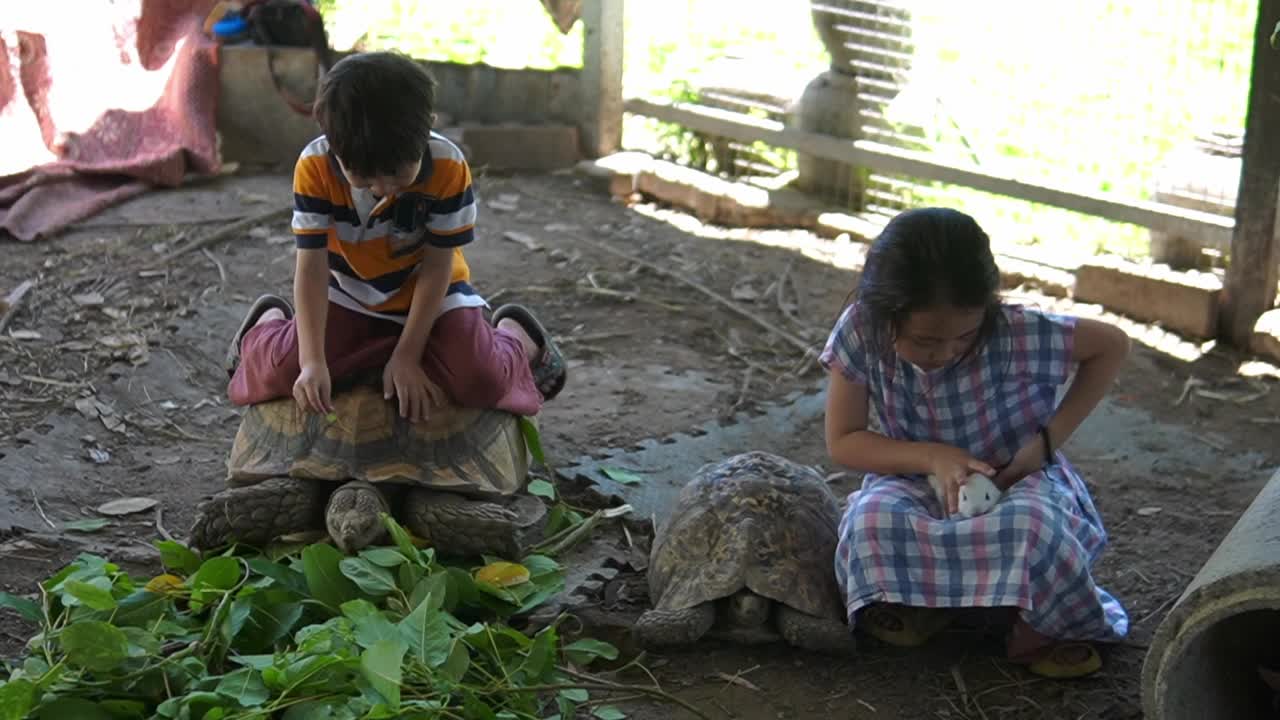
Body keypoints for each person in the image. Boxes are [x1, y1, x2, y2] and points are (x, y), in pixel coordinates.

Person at [820, 207, 1130, 678]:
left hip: (1013, 477)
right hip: (911, 478)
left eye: (963, 336)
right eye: (924, 341)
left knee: (1033, 527)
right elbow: (843, 440)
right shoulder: (862, 330)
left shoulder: (1016, 333)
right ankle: (925, 604)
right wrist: (931, 457)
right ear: (884, 312)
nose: (944, 353)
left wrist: (1043, 446)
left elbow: (1112, 344)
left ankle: (1039, 628)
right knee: (869, 521)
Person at [223, 50, 565, 420]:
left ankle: (518, 337)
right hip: (350, 292)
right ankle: (266, 325)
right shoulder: (315, 167)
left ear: (427, 128)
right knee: (284, 372)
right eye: (363, 176)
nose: (382, 188)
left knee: (478, 380)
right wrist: (311, 361)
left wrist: (407, 356)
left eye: (397, 174)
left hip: (435, 297)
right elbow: (312, 269)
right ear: (332, 144)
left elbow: (438, 267)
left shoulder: (448, 166)